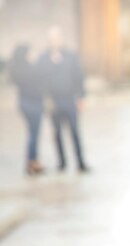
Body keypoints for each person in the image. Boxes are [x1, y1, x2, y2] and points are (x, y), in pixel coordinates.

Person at [39, 26, 89, 172]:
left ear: (61, 40)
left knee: (74, 131)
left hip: (70, 100)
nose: (54, 41)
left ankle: (80, 162)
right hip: (53, 102)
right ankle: (62, 162)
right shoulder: (44, 59)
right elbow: (40, 80)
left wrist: (81, 97)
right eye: (51, 39)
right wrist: (45, 98)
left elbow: (79, 77)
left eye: (57, 38)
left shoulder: (71, 57)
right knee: (57, 133)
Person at [8, 44, 45, 175]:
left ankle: (32, 160)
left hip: (24, 103)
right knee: (34, 133)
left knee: (32, 133)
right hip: (33, 103)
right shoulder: (29, 68)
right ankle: (32, 161)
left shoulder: (17, 69)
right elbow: (38, 83)